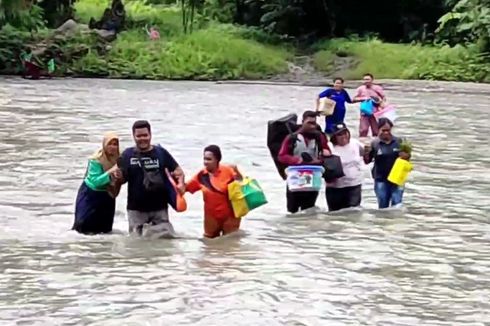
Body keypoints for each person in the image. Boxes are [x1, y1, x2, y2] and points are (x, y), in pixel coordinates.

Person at [117, 120, 185, 236]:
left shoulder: (161, 153)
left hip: (160, 208)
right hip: (135, 210)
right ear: (133, 136)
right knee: (136, 245)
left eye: (145, 135)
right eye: (139, 136)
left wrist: (181, 184)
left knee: (164, 243)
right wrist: (117, 177)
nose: (142, 138)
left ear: (150, 135)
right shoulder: (127, 155)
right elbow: (122, 179)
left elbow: (178, 171)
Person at [181, 145, 242, 238]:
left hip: (230, 216)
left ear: (217, 160)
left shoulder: (229, 171)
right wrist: (176, 181)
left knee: (230, 245)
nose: (205, 162)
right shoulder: (201, 175)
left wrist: (237, 172)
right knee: (209, 245)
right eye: (204, 159)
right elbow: (185, 188)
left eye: (209, 159)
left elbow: (242, 186)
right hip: (211, 217)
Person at [278, 111, 331, 213]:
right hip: (295, 177)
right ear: (302, 122)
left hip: (313, 177)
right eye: (309, 123)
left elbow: (327, 152)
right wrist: (297, 160)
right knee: (292, 210)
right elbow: (281, 156)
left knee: (309, 209)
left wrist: (322, 157)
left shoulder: (319, 137)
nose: (312, 126)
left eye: (314, 123)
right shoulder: (292, 138)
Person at [73, 132, 121, 234]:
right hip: (90, 195)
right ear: (104, 145)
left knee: (105, 230)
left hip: (108, 195)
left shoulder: (119, 159)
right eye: (110, 144)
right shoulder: (96, 159)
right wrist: (111, 172)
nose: (112, 147)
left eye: (115, 144)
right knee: (83, 228)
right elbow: (95, 181)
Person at [364, 118, 410, 209]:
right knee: (383, 206)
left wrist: (406, 155)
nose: (386, 132)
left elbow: (407, 159)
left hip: (397, 179)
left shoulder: (399, 142)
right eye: (383, 130)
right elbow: (367, 161)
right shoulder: (375, 144)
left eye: (388, 130)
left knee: (397, 204)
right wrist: (366, 153)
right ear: (378, 129)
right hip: (381, 179)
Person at [325, 123, 364, 211]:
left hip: (354, 185)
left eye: (344, 133)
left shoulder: (355, 143)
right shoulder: (329, 147)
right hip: (335, 187)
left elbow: (365, 154)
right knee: (335, 214)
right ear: (334, 137)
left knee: (353, 212)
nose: (343, 136)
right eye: (339, 134)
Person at [353, 73, 386, 137]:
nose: (366, 81)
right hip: (364, 112)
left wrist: (382, 103)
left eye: (368, 79)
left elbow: (383, 97)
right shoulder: (360, 89)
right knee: (363, 130)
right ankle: (362, 143)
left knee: (376, 131)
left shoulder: (377, 88)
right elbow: (353, 99)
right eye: (365, 79)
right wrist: (363, 99)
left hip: (376, 112)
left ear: (372, 80)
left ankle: (376, 144)